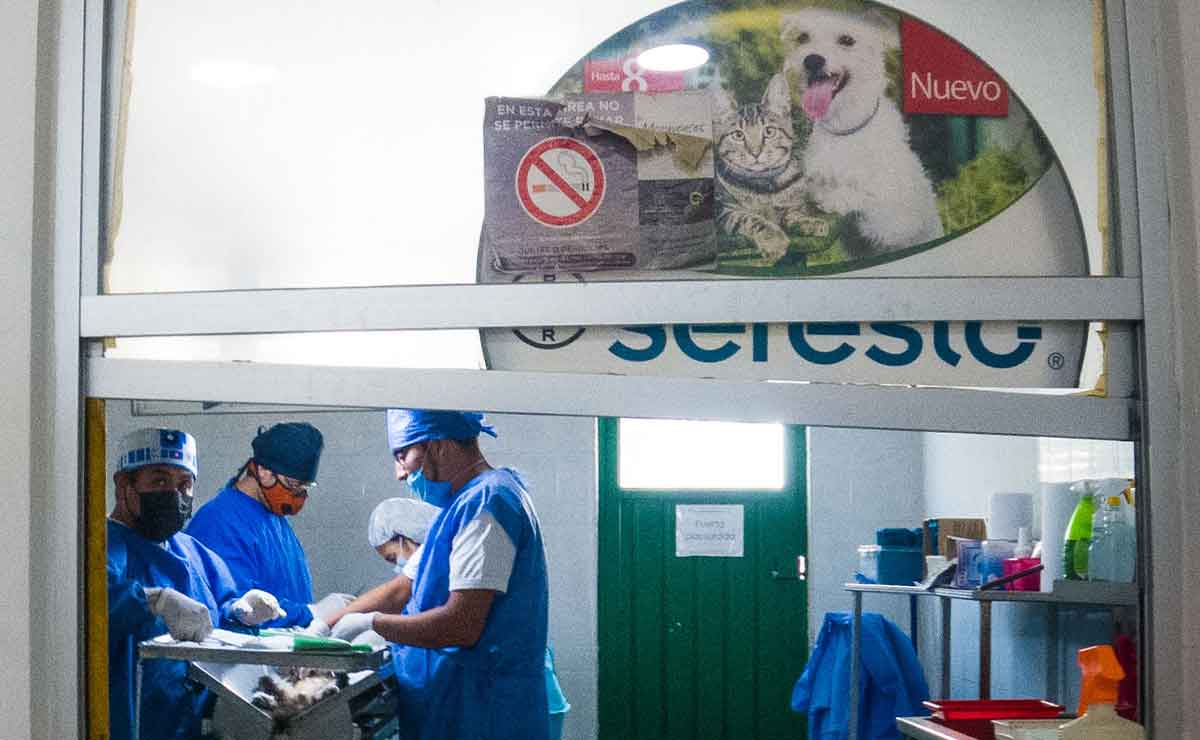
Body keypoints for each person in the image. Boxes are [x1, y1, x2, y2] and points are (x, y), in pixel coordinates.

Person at [328, 409, 550, 740]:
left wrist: (371, 623)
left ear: (438, 445)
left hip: (483, 713)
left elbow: (461, 624)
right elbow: (401, 590)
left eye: (403, 455)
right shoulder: (459, 508)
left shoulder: (488, 503)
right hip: (456, 707)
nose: (399, 473)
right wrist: (327, 625)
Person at [107, 428, 286, 740]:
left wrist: (242, 613)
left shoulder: (193, 552)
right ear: (124, 485)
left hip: (186, 723)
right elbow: (92, 604)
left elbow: (217, 618)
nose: (174, 494)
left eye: (184, 484)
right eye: (159, 481)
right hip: (131, 722)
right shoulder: (101, 545)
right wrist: (154, 600)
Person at [186, 421, 350, 629]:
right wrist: (310, 613)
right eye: (292, 485)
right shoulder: (218, 522)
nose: (298, 495)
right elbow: (236, 609)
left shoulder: (276, 520)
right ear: (263, 471)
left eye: (304, 488)